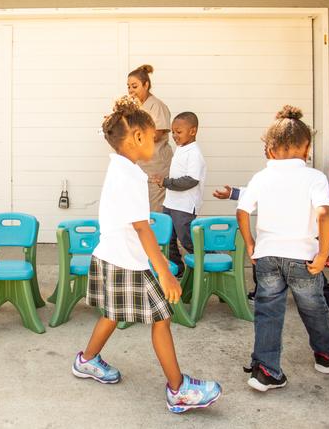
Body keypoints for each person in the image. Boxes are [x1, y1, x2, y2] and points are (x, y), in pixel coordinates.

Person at [72, 96, 221, 414]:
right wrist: (165, 272)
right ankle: (178, 390)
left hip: (111, 256)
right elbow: (142, 229)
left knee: (112, 315)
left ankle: (86, 361)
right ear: (138, 137)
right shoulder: (132, 177)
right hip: (127, 262)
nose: (159, 140)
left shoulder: (119, 169)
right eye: (155, 135)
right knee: (162, 319)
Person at [235, 105, 329, 392]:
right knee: (313, 307)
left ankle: (266, 371)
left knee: (268, 311)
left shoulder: (261, 177)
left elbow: (242, 211)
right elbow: (324, 214)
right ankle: (325, 354)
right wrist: (323, 253)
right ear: (306, 148)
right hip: (304, 258)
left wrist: (250, 244)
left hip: (267, 256)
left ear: (270, 149)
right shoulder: (313, 177)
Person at [213, 185, 329, 312]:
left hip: (293, 241)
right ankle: (261, 294)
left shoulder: (303, 183)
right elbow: (254, 193)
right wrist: (233, 193)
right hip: (284, 243)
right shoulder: (274, 180)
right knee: (269, 266)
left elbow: (324, 213)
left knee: (309, 270)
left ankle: (327, 297)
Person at [149, 112, 206, 275]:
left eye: (178, 132)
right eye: (173, 132)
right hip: (171, 203)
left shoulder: (194, 152)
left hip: (184, 206)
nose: (174, 135)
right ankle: (177, 271)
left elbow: (191, 180)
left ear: (193, 131)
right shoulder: (181, 149)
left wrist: (166, 182)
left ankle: (208, 263)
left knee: (187, 240)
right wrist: (164, 181)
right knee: (170, 239)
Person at [127, 64, 173, 213]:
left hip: (156, 167)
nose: (130, 90)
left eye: (134, 86)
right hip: (139, 168)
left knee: (155, 210)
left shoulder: (157, 106)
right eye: (128, 87)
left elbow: (156, 135)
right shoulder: (133, 108)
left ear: (146, 85)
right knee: (139, 210)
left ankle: (160, 237)